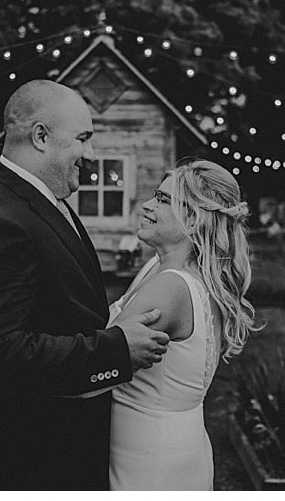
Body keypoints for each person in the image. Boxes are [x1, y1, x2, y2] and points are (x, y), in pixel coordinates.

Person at [0, 82, 172, 491]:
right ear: (41, 136)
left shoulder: (41, 202)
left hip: (52, 448)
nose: (92, 153)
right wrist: (116, 349)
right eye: (83, 138)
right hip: (22, 460)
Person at [107, 162, 259, 490]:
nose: (147, 205)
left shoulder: (172, 288)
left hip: (149, 457)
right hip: (182, 442)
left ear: (193, 218)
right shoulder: (163, 268)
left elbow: (99, 359)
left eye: (163, 200)